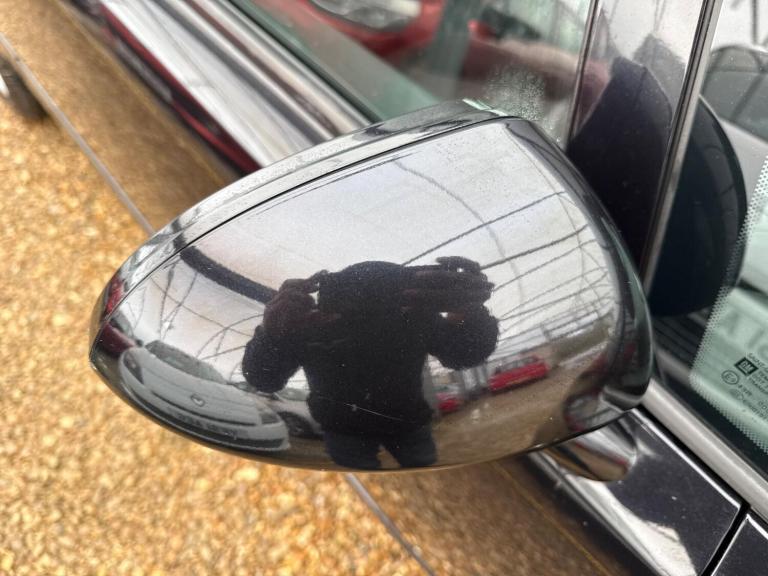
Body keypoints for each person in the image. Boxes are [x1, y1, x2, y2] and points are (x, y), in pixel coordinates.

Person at [242, 256, 498, 469]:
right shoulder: (312, 322)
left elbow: (463, 354)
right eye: (358, 292)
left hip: (399, 425)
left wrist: (470, 310)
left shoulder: (410, 313)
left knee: (421, 469)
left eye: (378, 290)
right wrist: (272, 332)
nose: (366, 301)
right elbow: (264, 379)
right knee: (413, 467)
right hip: (356, 430)